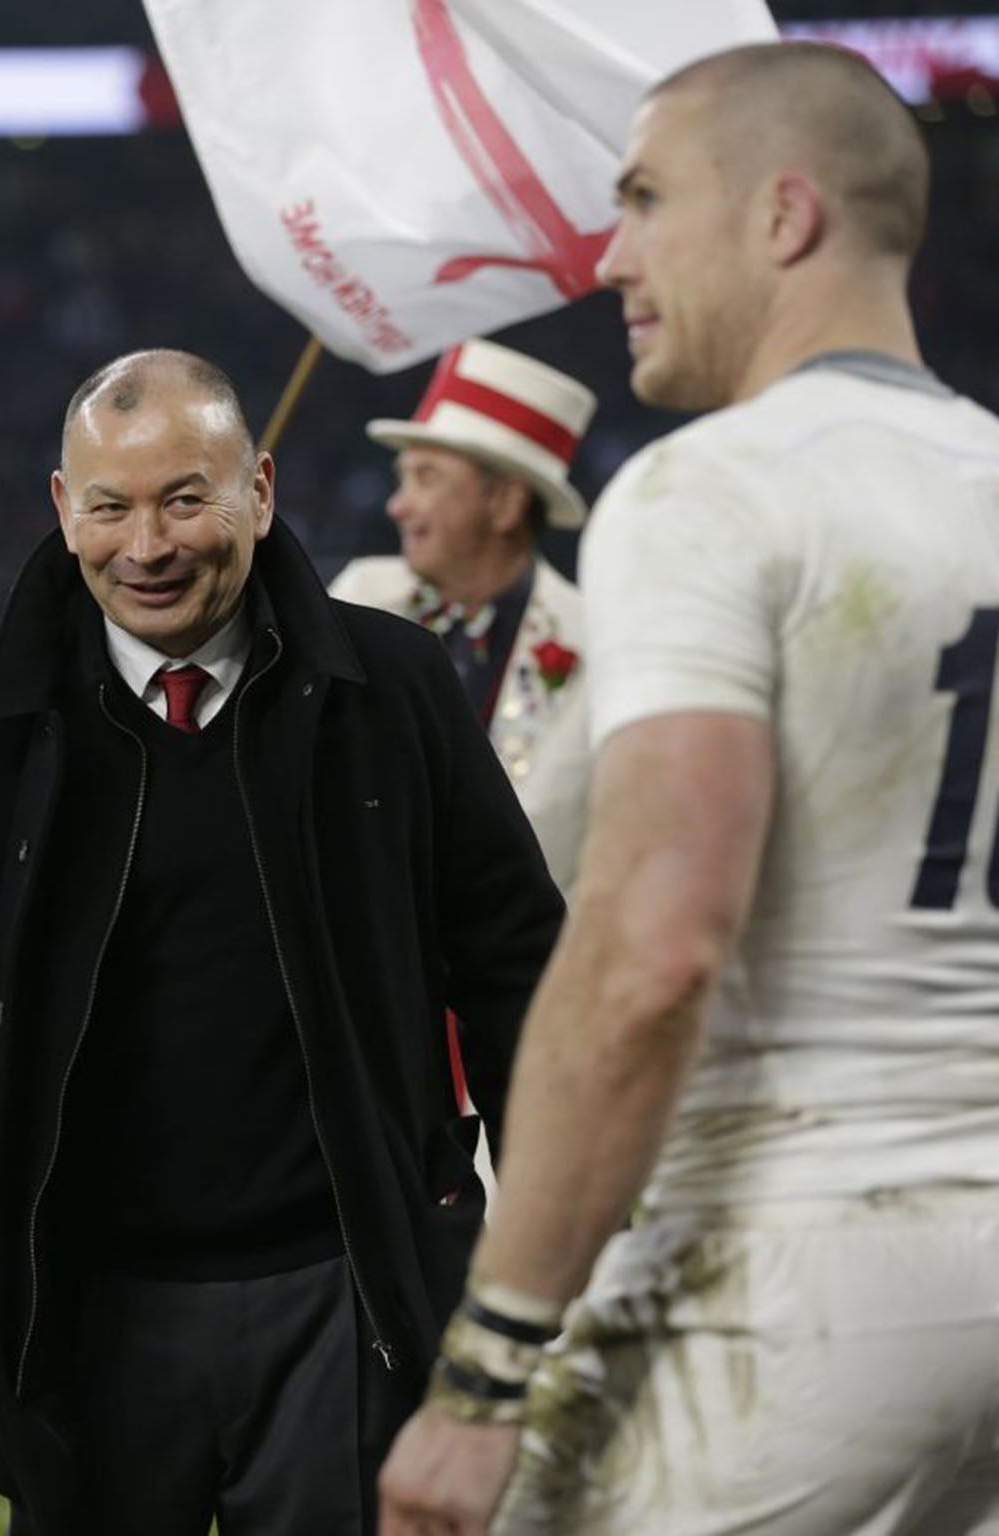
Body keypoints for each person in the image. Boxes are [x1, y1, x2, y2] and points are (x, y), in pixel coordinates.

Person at [0, 348, 564, 1533]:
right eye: (111, 506)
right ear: (62, 510)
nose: (147, 546)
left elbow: (516, 969)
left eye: (184, 498)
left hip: (344, 1299)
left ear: (258, 493)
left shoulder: (393, 691)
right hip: (86, 1325)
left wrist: (535, 1253)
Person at [379, 41, 999, 1536]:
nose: (613, 252)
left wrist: (484, 1370)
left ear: (783, 217)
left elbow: (655, 950)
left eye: (648, 198)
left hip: (804, 1249)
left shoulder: (714, 488)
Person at [330, 339, 597, 887]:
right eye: (403, 478)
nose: (396, 505)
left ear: (505, 504)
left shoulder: (597, 647)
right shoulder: (357, 598)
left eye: (426, 478)